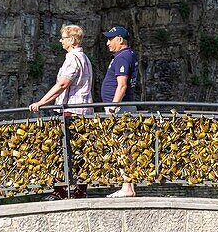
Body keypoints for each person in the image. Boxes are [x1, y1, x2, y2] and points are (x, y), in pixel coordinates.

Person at [29, 24, 93, 198]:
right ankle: (79, 190)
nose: (60, 41)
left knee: (63, 150)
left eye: (63, 38)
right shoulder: (84, 58)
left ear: (72, 40)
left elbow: (63, 83)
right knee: (78, 152)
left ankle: (61, 191)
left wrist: (42, 102)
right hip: (83, 110)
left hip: (71, 111)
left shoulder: (73, 59)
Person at [101, 25, 139, 197]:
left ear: (120, 40)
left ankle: (127, 187)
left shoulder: (122, 58)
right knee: (125, 148)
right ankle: (128, 186)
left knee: (123, 147)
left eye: (111, 39)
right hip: (123, 107)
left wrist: (113, 107)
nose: (108, 43)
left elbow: (122, 85)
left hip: (120, 109)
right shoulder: (127, 55)